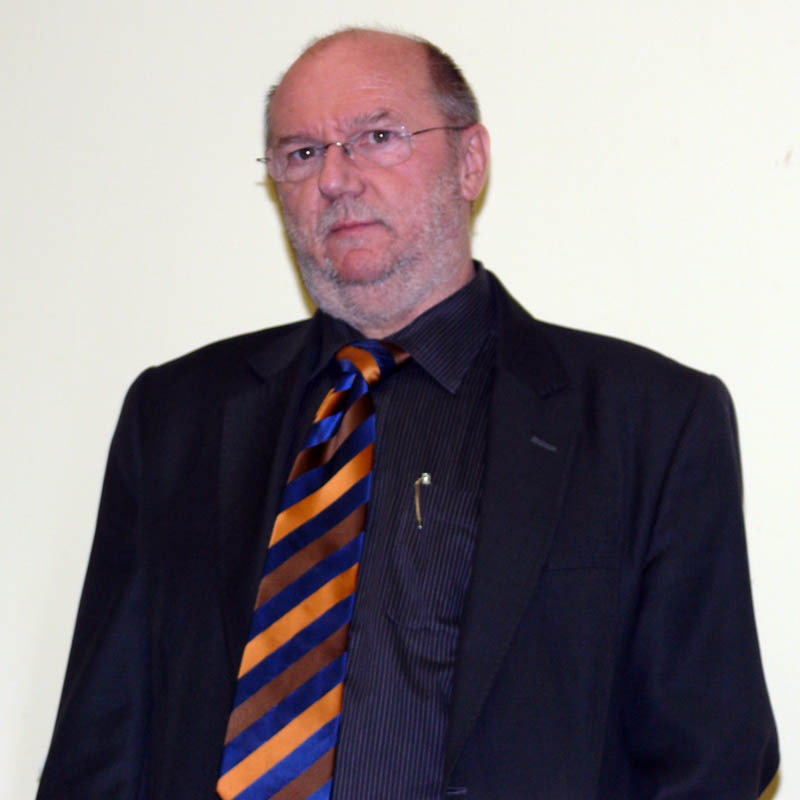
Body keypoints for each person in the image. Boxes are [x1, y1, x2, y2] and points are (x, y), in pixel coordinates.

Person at [38, 28, 778, 800]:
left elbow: (713, 756)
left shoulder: (648, 422)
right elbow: (98, 750)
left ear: (470, 161)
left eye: (378, 137)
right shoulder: (176, 417)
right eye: (301, 153)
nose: (335, 178)